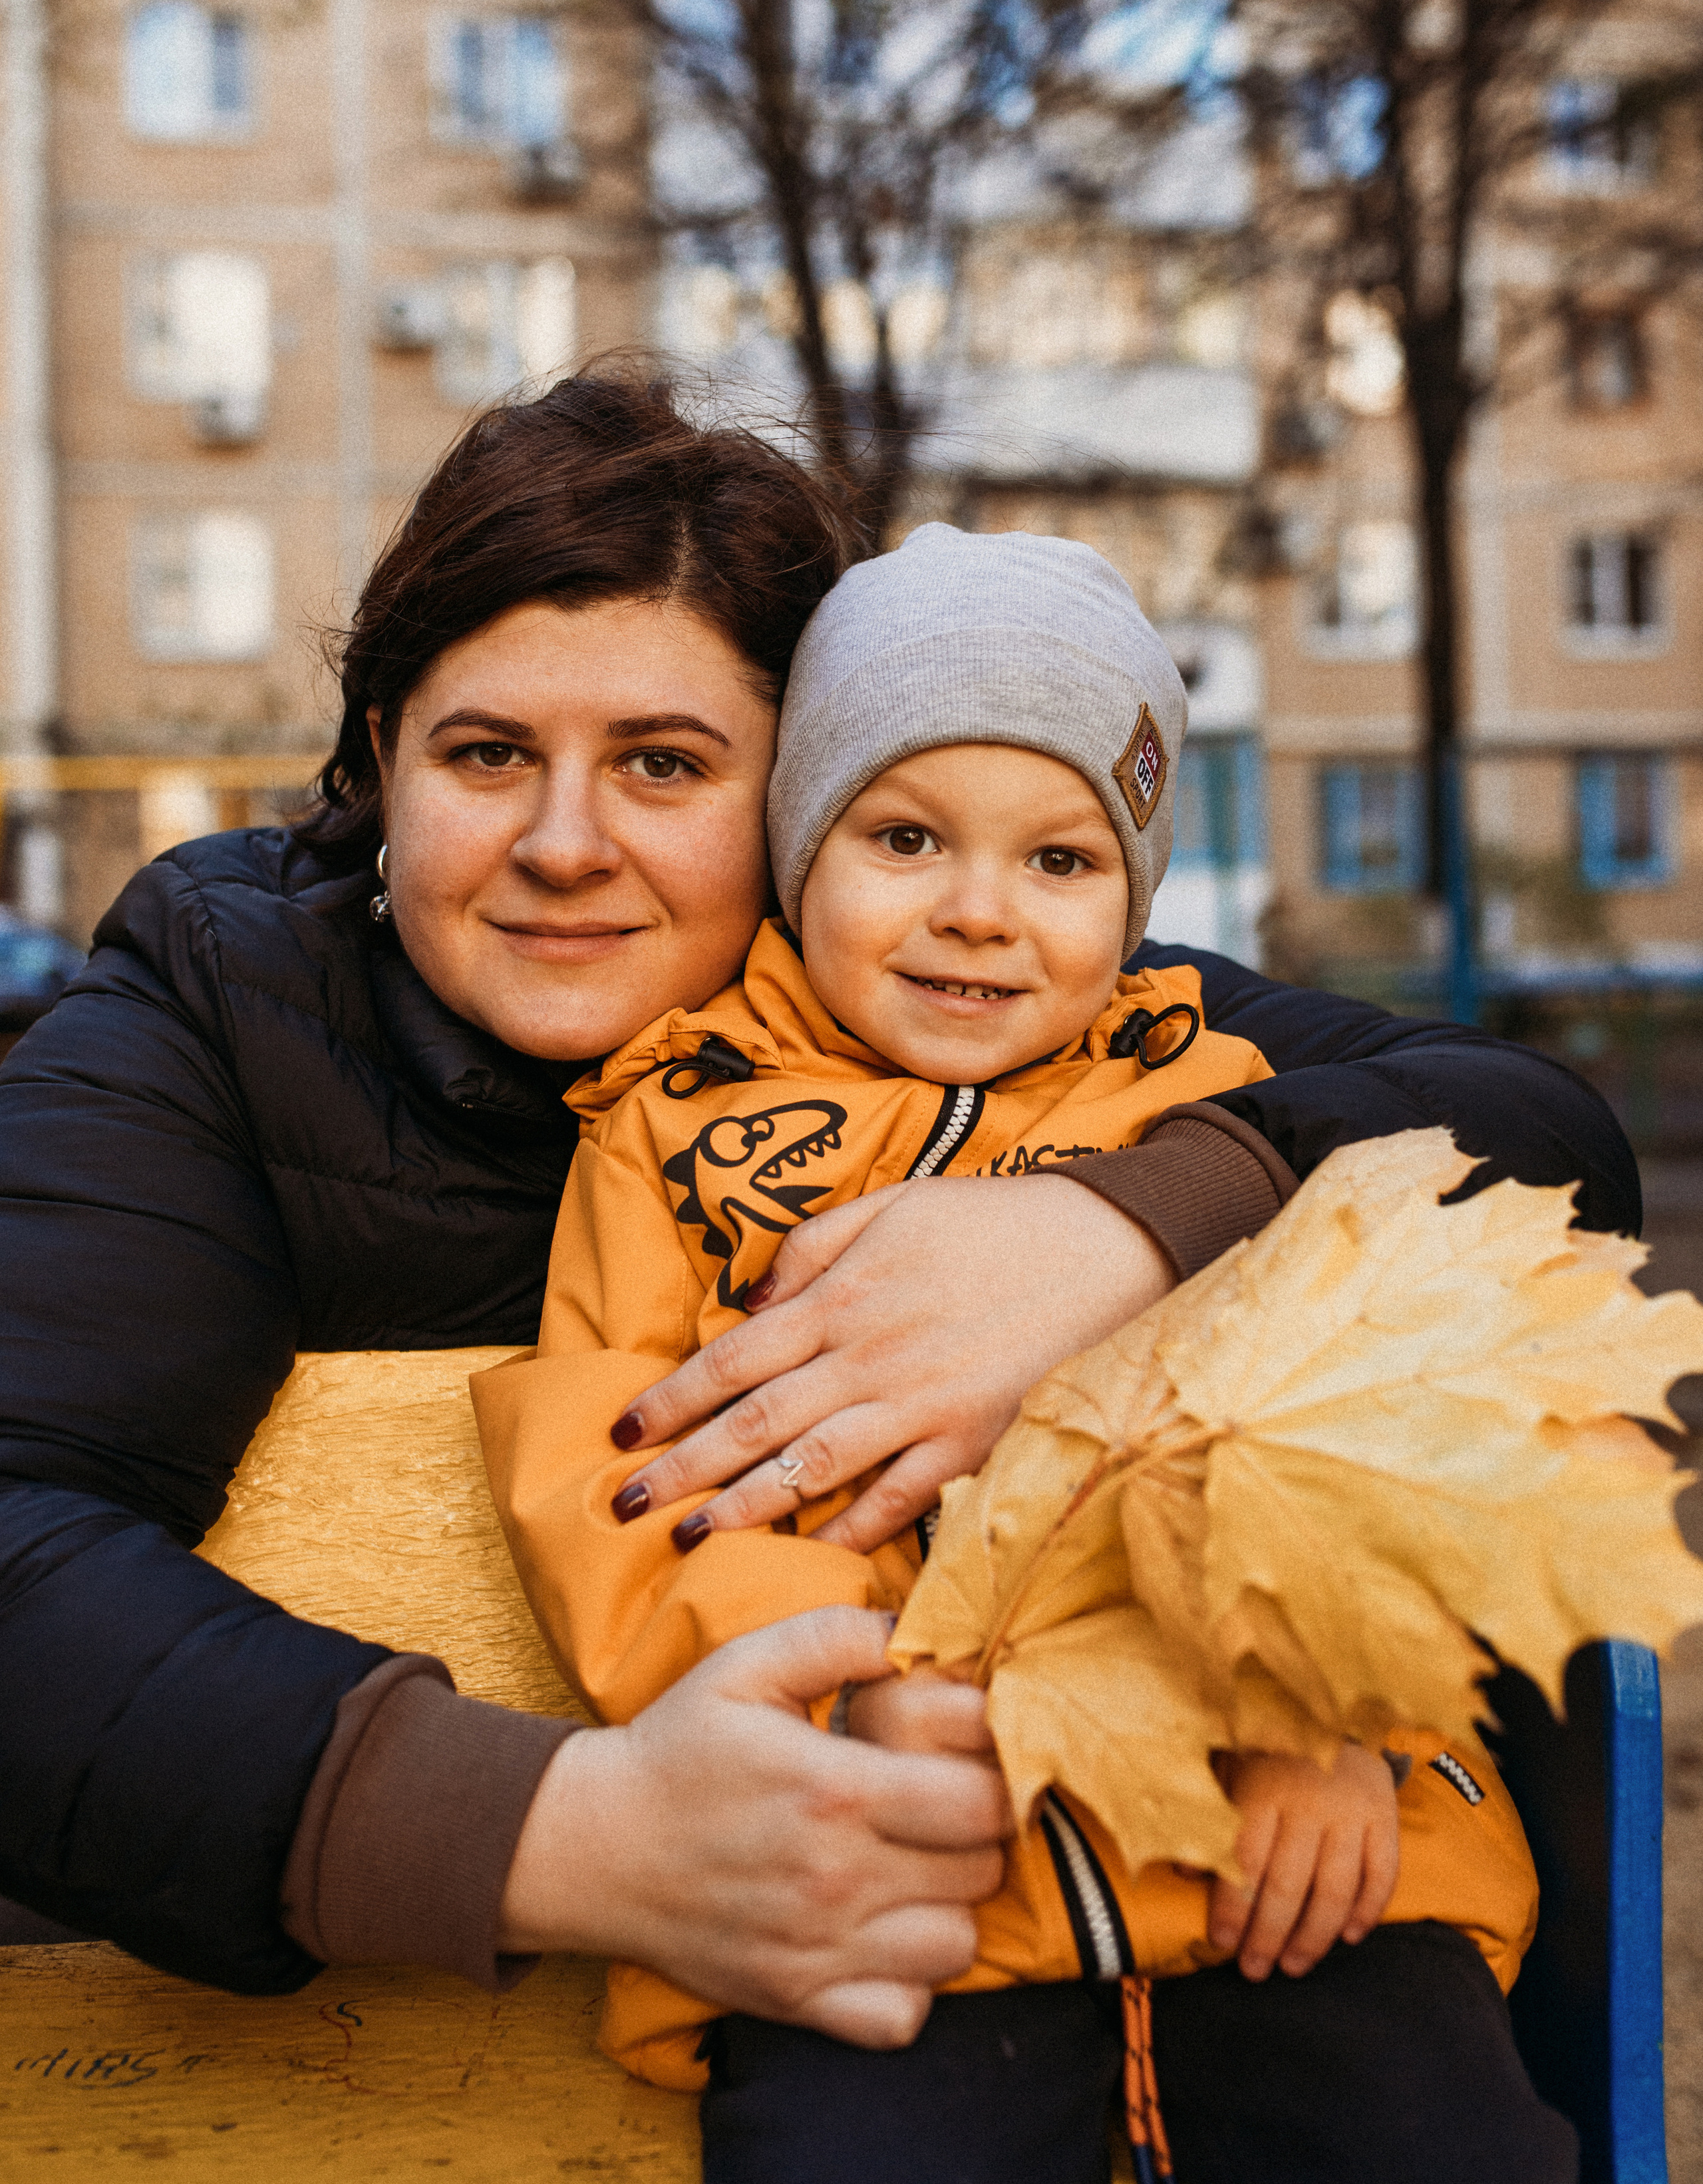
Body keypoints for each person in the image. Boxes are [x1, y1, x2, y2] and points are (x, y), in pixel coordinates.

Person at [0, 371, 1629, 2157]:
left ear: (798, 797)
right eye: (485, 753)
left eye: (667, 764)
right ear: (383, 751)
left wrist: (1116, 1224)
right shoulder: (229, 1006)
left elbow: (1534, 1139)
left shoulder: (990, 1005)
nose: (563, 842)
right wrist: (570, 1828)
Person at [475, 525, 1570, 2183]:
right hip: (895, 1876)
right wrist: (833, 1700)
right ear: (796, 851)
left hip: (1291, 1844)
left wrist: (1331, 1707)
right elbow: (616, 1455)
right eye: (904, 837)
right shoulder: (674, 1134)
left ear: (1132, 896)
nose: (978, 913)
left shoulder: (1212, 1119)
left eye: (1059, 862)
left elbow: (1381, 1412)